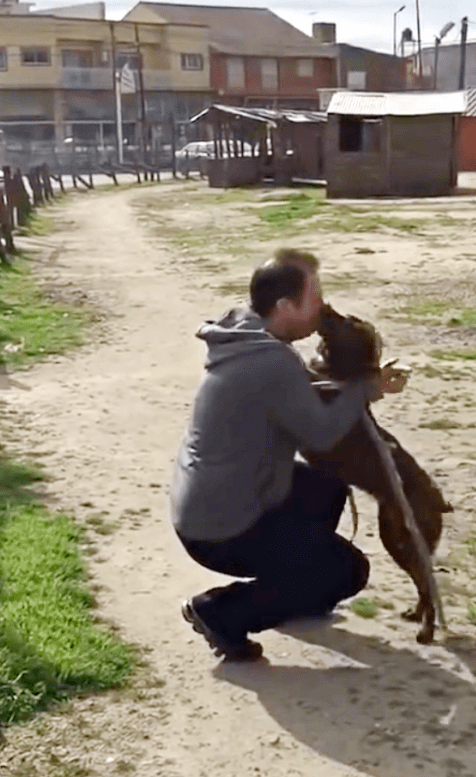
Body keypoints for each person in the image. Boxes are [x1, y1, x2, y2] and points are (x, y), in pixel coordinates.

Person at [171, 249, 406, 662]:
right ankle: (222, 612)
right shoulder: (271, 360)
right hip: (221, 528)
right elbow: (323, 433)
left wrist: (364, 385)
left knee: (326, 489)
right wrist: (363, 390)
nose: (323, 308)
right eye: (314, 299)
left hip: (210, 501)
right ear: (284, 306)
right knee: (348, 570)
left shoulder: (246, 336)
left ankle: (290, 589)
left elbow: (292, 396)